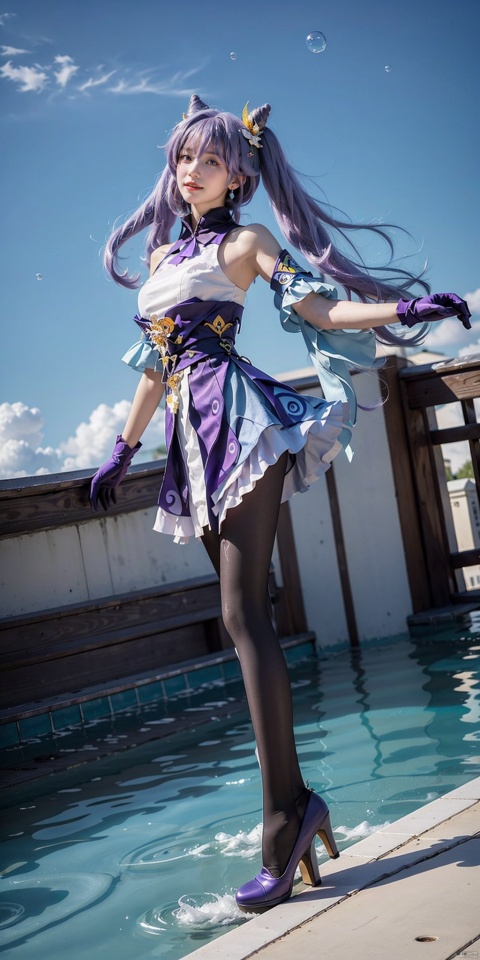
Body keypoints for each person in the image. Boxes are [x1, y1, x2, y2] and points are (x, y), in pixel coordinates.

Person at [90, 95, 471, 912]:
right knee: (241, 617)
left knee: (241, 616)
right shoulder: (162, 257)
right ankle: (297, 807)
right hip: (190, 445)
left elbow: (320, 308)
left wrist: (404, 310)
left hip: (241, 421)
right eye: (184, 157)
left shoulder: (247, 241)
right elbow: (155, 368)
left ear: (239, 175)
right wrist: (124, 447)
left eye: (211, 160)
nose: (191, 170)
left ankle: (282, 822)